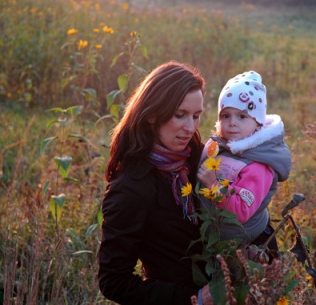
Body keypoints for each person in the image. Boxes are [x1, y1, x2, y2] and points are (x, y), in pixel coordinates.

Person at [98, 61, 208, 304]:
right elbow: (113, 282)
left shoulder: (198, 157)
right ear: (153, 114)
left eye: (196, 116)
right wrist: (195, 299)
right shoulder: (131, 188)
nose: (190, 128)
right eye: (179, 115)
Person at [197, 70, 292, 251]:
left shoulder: (259, 166)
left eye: (242, 116)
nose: (232, 122)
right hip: (216, 239)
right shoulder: (219, 147)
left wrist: (214, 186)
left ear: (258, 123)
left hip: (245, 244)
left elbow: (241, 210)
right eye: (226, 116)